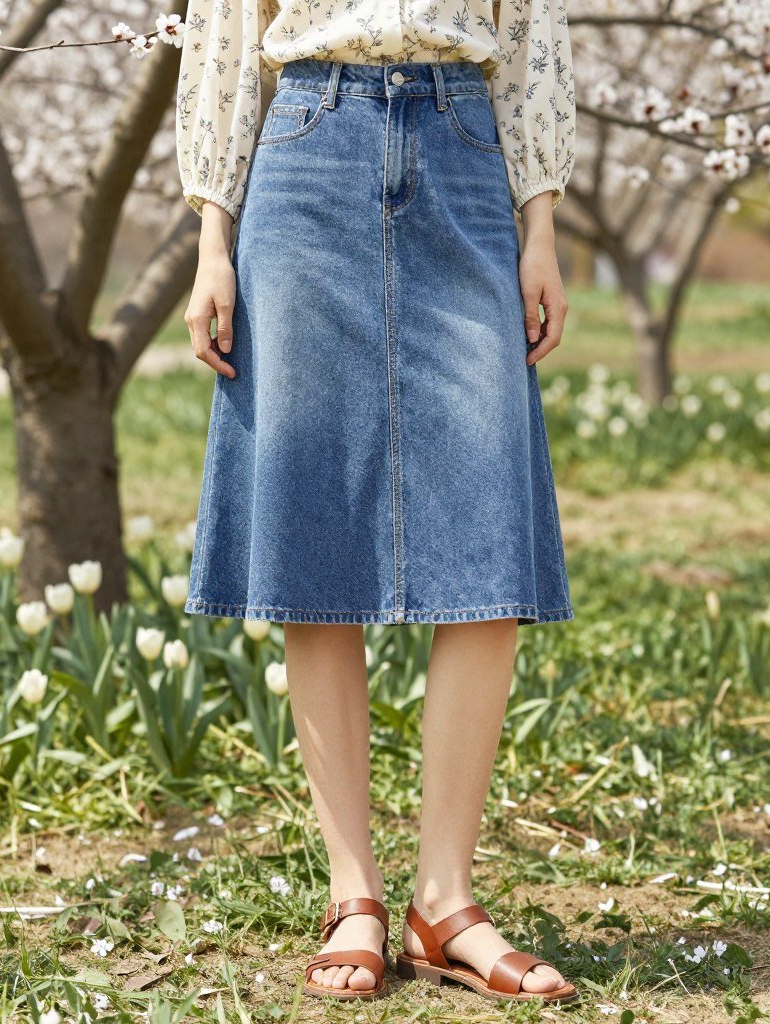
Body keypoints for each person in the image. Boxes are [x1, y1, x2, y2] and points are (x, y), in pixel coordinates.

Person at [175, 0, 578, 1006]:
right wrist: (212, 240)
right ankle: (352, 893)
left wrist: (541, 226)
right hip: (306, 147)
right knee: (314, 532)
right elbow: (225, 37)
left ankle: (445, 902)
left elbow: (531, 34)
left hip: (465, 148)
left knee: (487, 527)